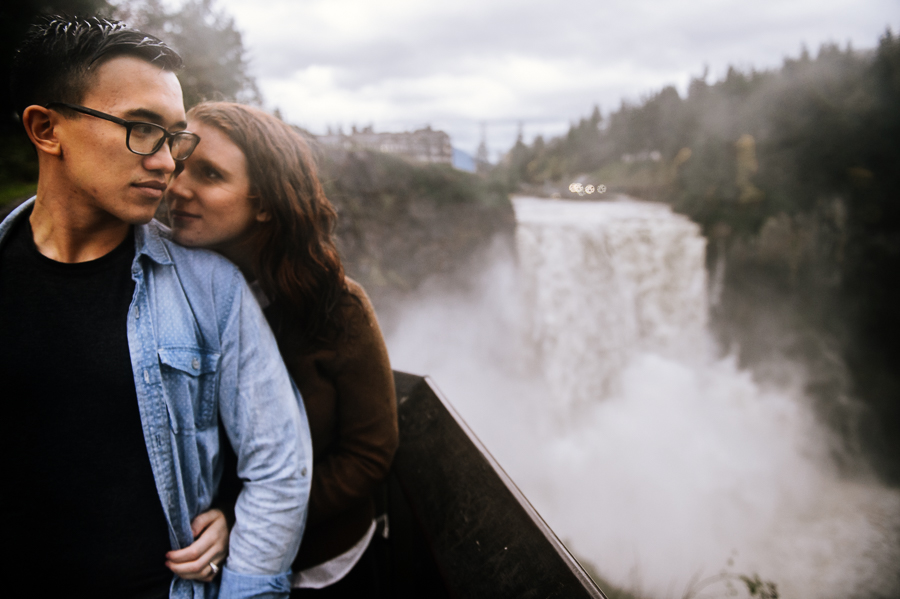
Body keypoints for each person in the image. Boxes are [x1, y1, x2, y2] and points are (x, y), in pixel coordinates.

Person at [0, 16, 312, 599]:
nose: (168, 163)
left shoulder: (210, 288)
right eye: (141, 130)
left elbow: (278, 471)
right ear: (47, 128)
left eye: (174, 137)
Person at [163, 101, 399, 597]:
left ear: (266, 202)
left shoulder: (338, 308)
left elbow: (368, 453)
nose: (178, 185)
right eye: (180, 162)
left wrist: (243, 518)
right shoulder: (166, 292)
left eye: (209, 174)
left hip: (324, 566)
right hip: (204, 564)